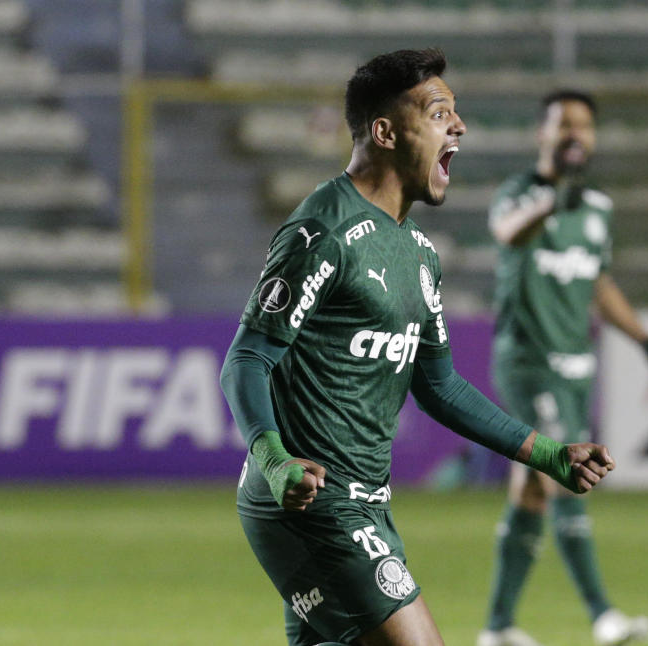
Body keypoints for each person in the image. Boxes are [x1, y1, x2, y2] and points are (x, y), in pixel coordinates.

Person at [218, 50, 618, 646]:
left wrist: (548, 455)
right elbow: (247, 358)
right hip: (314, 502)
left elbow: (439, 386)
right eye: (438, 113)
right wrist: (274, 459)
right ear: (384, 132)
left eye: (455, 114)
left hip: (366, 505)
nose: (458, 127)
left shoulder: (418, 253)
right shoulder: (325, 230)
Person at [477, 90, 648, 646]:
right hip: (528, 361)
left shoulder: (597, 208)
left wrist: (647, 342)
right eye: (564, 123)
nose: (575, 134)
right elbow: (507, 232)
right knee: (565, 471)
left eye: (585, 126)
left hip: (575, 366)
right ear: (541, 134)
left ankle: (497, 628)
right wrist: (551, 203)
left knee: (532, 488)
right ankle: (603, 616)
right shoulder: (519, 194)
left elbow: (599, 283)